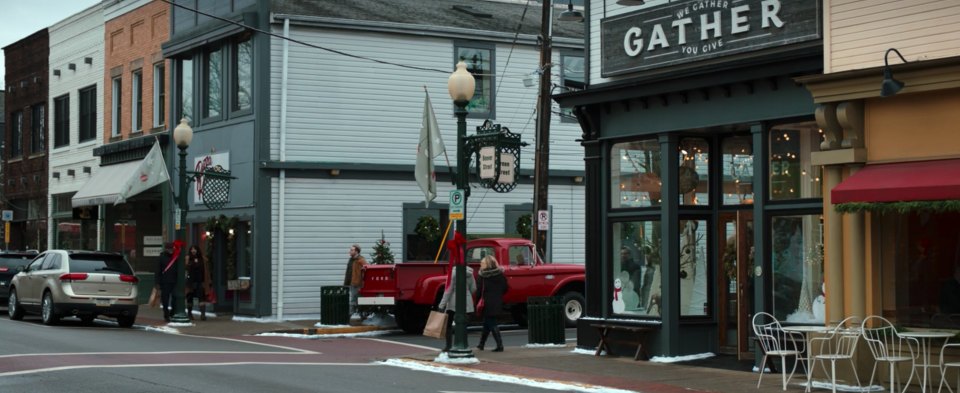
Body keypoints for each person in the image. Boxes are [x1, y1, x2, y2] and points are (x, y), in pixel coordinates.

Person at [438, 263, 477, 352]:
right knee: (463, 324)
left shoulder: (453, 273)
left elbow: (448, 290)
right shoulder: (470, 273)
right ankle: (464, 344)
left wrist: (441, 305)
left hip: (453, 303)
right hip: (467, 302)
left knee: (448, 325)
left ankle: (448, 346)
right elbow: (474, 288)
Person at [476, 255, 508, 352]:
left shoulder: (482, 276)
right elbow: (505, 288)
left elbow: (479, 291)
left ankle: (500, 345)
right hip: (497, 301)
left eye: (482, 263)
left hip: (486, 302)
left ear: (486, 264)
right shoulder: (500, 275)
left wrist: (477, 301)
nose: (480, 265)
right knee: (487, 323)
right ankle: (481, 344)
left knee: (491, 322)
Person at [155, 242, 179, 322]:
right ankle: (166, 314)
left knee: (175, 297)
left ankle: (172, 312)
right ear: (166, 249)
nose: (171, 250)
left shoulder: (175, 257)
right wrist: (157, 283)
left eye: (172, 248)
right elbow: (158, 271)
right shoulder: (161, 257)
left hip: (175, 281)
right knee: (165, 299)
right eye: (169, 249)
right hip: (164, 282)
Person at [185, 245, 209, 321]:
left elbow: (206, 270)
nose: (193, 250)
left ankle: (203, 314)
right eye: (192, 249)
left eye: (194, 249)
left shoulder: (202, 259)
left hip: (200, 281)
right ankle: (189, 313)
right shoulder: (187, 259)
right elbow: (185, 269)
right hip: (190, 282)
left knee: (201, 297)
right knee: (190, 297)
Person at [343, 243, 368, 316]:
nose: (350, 252)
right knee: (356, 300)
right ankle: (361, 315)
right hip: (352, 284)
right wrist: (346, 284)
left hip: (358, 284)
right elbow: (348, 273)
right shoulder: (351, 260)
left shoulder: (361, 260)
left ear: (356, 251)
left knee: (355, 300)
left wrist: (362, 282)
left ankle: (349, 316)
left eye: (351, 250)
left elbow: (367, 270)